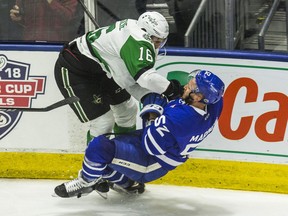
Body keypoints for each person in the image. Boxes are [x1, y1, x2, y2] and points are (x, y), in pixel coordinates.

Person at [54, 69, 225, 198]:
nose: (188, 85)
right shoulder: (214, 103)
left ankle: (86, 182)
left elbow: (150, 145)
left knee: (98, 147)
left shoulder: (181, 118)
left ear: (198, 97)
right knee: (106, 153)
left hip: (151, 161)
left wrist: (153, 111)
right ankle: (128, 184)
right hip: (166, 147)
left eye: (192, 85)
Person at [53, 11, 183, 143]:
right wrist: (171, 90)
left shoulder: (136, 31)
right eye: (156, 40)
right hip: (75, 70)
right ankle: (94, 161)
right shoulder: (136, 41)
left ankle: (125, 153)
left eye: (161, 41)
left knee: (128, 111)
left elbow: (129, 80)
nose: (157, 45)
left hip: (104, 69)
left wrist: (149, 95)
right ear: (145, 32)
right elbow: (145, 78)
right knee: (103, 122)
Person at [9, 0, 79, 42]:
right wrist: (18, 18)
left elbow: (69, 18)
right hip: (29, 45)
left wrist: (51, 1)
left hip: (57, 47)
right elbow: (23, 17)